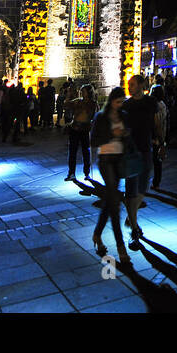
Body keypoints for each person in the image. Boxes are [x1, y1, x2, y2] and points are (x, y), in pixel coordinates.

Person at [90, 87, 130, 263]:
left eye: (122, 101)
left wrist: (125, 135)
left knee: (110, 200)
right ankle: (121, 247)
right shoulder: (101, 117)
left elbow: (129, 136)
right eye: (118, 101)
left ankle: (97, 235)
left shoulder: (124, 115)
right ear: (112, 100)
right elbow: (94, 140)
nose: (120, 105)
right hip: (106, 160)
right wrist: (111, 135)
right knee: (115, 204)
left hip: (119, 160)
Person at [120, 75, 155, 246]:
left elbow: (155, 123)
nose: (129, 87)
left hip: (146, 148)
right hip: (130, 152)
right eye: (128, 85)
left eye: (132, 84)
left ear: (141, 85)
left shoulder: (150, 102)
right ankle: (134, 229)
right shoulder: (126, 105)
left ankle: (131, 214)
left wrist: (161, 141)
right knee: (131, 189)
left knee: (144, 185)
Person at [65, 84, 97, 180]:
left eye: (84, 91)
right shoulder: (78, 101)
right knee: (72, 152)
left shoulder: (93, 104)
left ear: (88, 92)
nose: (82, 93)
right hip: (75, 128)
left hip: (85, 129)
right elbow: (66, 104)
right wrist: (69, 94)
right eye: (81, 91)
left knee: (86, 151)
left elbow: (95, 117)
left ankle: (86, 173)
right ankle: (71, 173)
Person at [149, 83, 168, 189]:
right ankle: (157, 181)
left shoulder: (154, 106)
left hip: (155, 135)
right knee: (157, 160)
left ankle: (155, 182)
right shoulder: (163, 104)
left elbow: (157, 123)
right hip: (161, 134)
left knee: (154, 159)